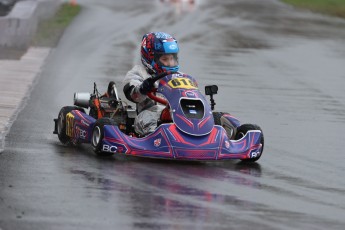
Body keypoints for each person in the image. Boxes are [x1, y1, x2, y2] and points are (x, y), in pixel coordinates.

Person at [122, 32, 181, 136]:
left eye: (172, 58)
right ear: (150, 58)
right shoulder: (138, 73)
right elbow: (132, 95)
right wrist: (142, 89)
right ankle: (155, 138)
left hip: (175, 114)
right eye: (165, 59)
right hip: (150, 114)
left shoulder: (179, 76)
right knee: (147, 117)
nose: (170, 63)